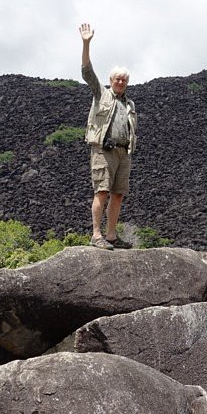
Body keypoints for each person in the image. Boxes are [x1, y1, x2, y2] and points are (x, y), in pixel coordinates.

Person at [79, 22, 137, 249]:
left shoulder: (129, 104)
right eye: (117, 79)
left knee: (118, 194)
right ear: (111, 80)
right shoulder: (101, 93)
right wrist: (86, 43)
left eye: (124, 79)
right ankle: (96, 235)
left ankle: (111, 235)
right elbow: (87, 73)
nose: (121, 82)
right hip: (104, 150)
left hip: (124, 152)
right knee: (102, 191)